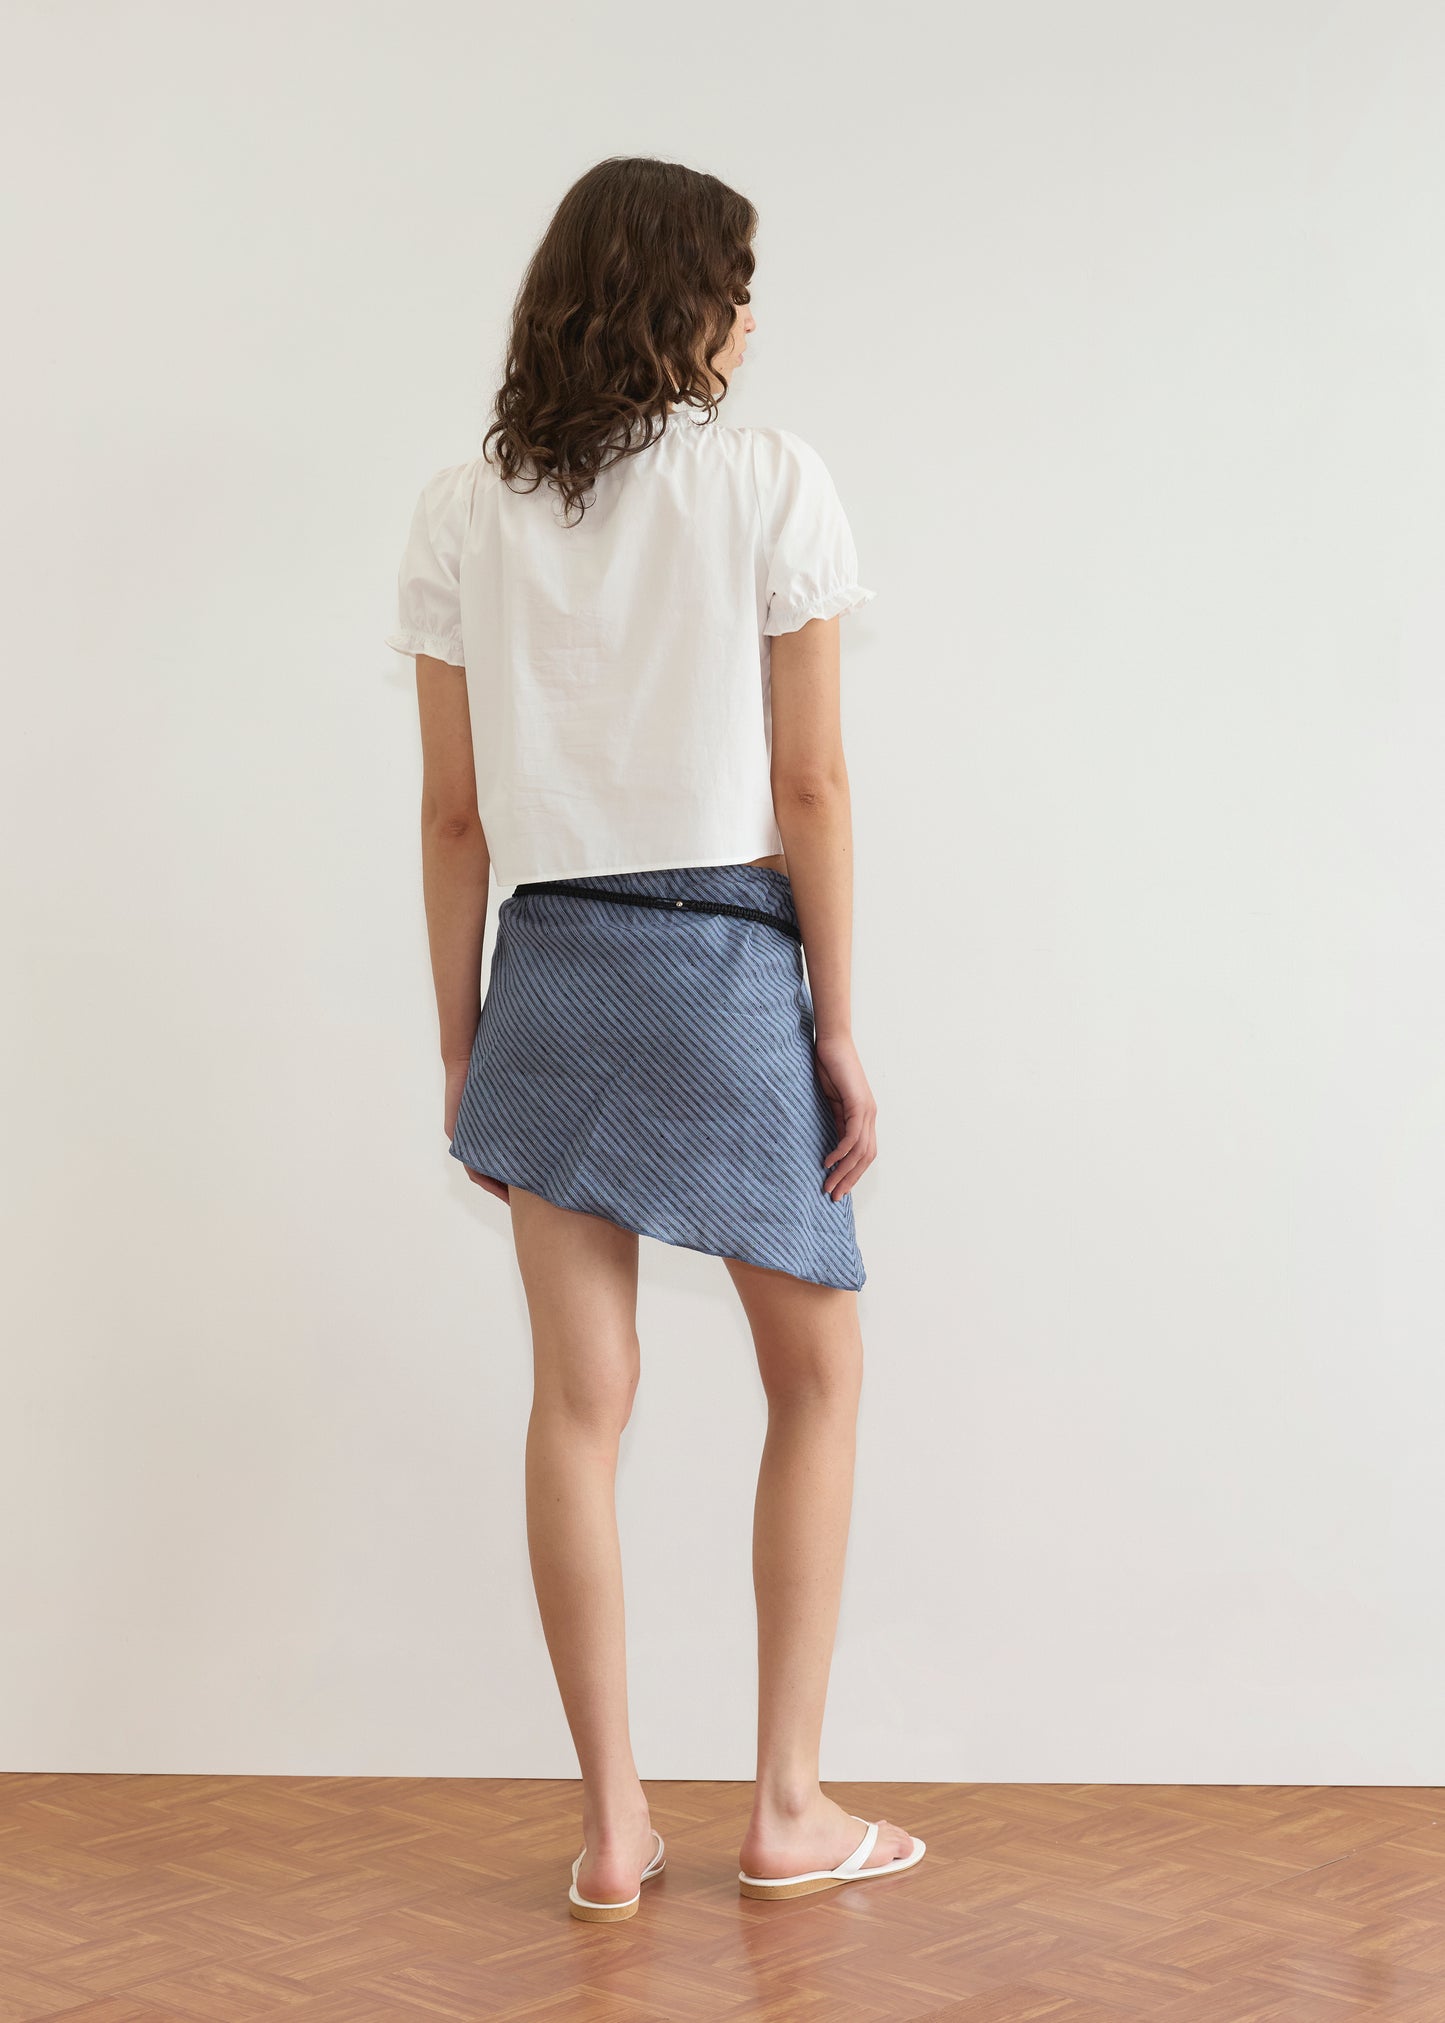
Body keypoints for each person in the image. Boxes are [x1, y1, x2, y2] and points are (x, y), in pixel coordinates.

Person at [383, 156, 925, 1922]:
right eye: (736, 283)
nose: (752, 318)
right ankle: (782, 1806)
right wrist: (837, 1021)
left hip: (549, 962)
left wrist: (463, 1036)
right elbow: (812, 782)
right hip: (716, 962)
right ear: (678, 299)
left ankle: (613, 1831)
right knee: (818, 1373)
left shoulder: (465, 508)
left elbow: (452, 817)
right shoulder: (769, 484)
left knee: (578, 1402)